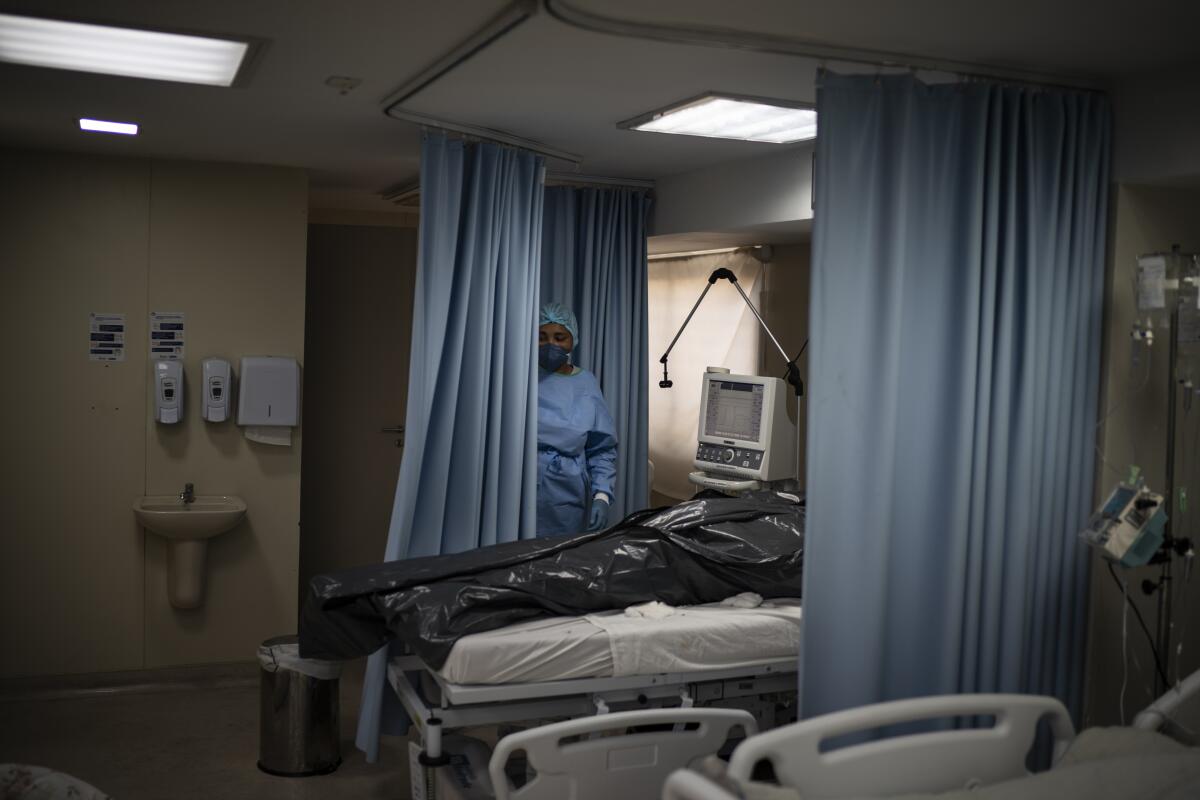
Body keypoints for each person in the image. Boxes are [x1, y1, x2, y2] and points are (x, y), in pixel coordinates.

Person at [536, 303, 618, 536]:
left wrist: (601, 495)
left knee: (558, 563)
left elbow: (601, 448)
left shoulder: (586, 384)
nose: (551, 344)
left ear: (573, 340)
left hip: (565, 493)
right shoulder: (520, 376)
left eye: (560, 337)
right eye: (542, 337)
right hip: (518, 484)